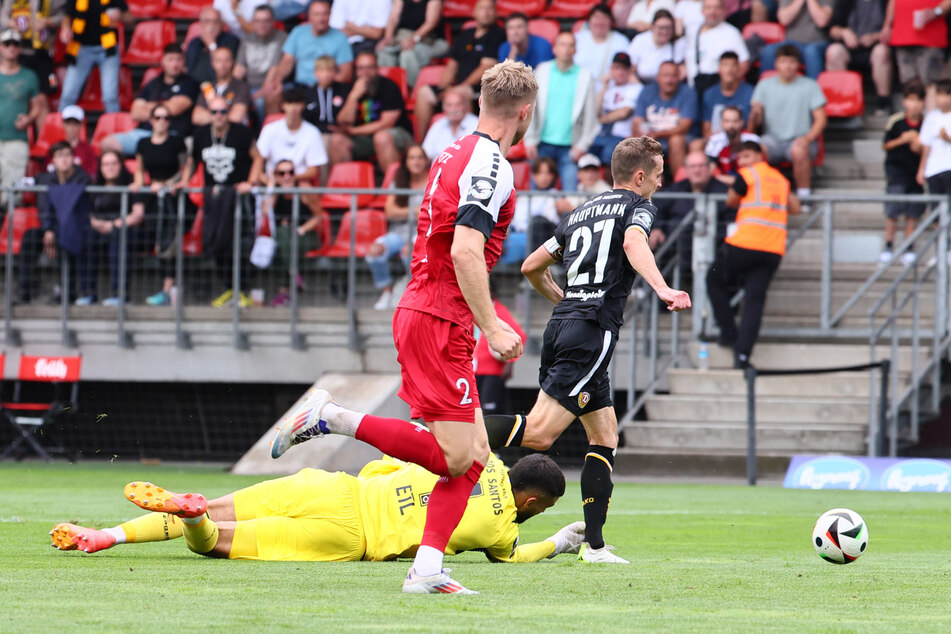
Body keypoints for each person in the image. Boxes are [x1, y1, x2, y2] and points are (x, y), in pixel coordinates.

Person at [270, 60, 538, 595]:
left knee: (476, 458)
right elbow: (465, 250)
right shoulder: (494, 164)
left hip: (432, 309)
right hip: (440, 314)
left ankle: (428, 567)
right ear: (525, 113)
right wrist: (493, 327)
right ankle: (332, 417)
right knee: (456, 457)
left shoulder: (452, 151)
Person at [478, 137, 691, 564]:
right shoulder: (639, 207)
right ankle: (444, 430)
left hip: (564, 325)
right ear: (639, 176)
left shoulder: (579, 212)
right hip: (592, 330)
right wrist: (664, 287)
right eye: (659, 173)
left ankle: (593, 547)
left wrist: (563, 300)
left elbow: (530, 266)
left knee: (604, 434)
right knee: (539, 433)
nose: (661, 181)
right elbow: (633, 245)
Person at [50, 453, 585, 565]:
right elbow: (515, 555)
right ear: (532, 501)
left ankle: (106, 536)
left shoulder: (477, 457)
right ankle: (194, 523)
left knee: (216, 504)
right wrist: (561, 540)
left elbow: (381, 467)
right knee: (216, 541)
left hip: (334, 488)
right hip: (351, 538)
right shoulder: (499, 526)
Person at [706, 140, 800, 369]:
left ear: (760, 155)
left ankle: (729, 334)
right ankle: (743, 355)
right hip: (772, 250)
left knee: (713, 278)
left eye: (747, 156)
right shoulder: (780, 178)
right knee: (754, 302)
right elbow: (795, 207)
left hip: (743, 245)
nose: (743, 161)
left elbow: (731, 200)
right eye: (741, 158)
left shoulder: (747, 175)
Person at [181, 95, 258, 307]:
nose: (219, 116)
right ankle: (229, 289)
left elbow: (258, 157)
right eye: (214, 112)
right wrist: (185, 181)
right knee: (217, 243)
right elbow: (192, 161)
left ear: (229, 112)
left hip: (238, 199)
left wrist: (250, 182)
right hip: (214, 200)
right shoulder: (200, 135)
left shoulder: (241, 133)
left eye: (223, 111)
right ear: (209, 113)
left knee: (240, 245)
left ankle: (243, 291)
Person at [412, 0, 503, 135]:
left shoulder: (497, 34)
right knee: (424, 92)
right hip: (457, 86)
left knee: (461, 92)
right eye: (482, 8)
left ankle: (469, 143)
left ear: (496, 13)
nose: (486, 12)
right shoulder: (466, 34)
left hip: (480, 88)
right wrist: (444, 88)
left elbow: (486, 66)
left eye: (490, 9)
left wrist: (456, 88)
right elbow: (452, 64)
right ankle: (422, 144)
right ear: (474, 12)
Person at [523, 31, 599, 192]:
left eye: (570, 45)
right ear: (555, 48)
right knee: (536, 196)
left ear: (575, 50)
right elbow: (531, 107)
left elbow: (590, 115)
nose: (566, 49)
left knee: (571, 197)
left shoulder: (585, 76)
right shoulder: (542, 71)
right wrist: (529, 139)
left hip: (571, 147)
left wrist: (582, 145)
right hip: (541, 143)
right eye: (562, 44)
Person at [749, 43, 826, 200]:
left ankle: (804, 197)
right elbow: (756, 119)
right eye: (783, 61)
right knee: (757, 149)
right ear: (776, 63)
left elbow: (821, 119)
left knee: (799, 150)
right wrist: (754, 115)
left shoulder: (810, 86)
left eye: (792, 61)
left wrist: (807, 139)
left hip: (801, 138)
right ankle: (759, 195)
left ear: (798, 64)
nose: (788, 66)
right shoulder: (764, 85)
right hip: (772, 139)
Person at [18, 141, 92, 304]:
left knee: (66, 238)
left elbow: (71, 210)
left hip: (75, 228)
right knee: (30, 237)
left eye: (67, 155)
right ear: (53, 161)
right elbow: (44, 207)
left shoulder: (82, 178)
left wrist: (52, 230)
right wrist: (48, 229)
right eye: (59, 156)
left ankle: (67, 292)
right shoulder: (45, 179)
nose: (64, 159)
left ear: (73, 158)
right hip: (51, 228)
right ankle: (25, 291)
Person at [129, 104, 188, 307]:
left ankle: (168, 289)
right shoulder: (143, 143)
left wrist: (167, 184)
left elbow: (184, 170)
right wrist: (139, 183)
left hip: (172, 197)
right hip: (153, 198)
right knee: (158, 240)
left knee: (169, 242)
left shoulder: (176, 142)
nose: (162, 121)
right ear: (152, 120)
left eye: (166, 117)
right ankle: (168, 289)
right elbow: (139, 169)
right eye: (158, 117)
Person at [100, 44, 199, 157]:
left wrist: (147, 106)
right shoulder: (153, 84)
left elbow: (174, 109)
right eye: (170, 59)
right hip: (145, 133)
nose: (174, 64)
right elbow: (135, 112)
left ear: (183, 62)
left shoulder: (190, 84)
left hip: (172, 133)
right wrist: (166, 106)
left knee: (164, 148)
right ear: (162, 60)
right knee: (108, 144)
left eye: (178, 60)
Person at [76, 150, 146, 306]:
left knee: (118, 240)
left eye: (114, 163)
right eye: (106, 164)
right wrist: (98, 224)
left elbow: (138, 214)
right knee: (85, 237)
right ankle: (88, 292)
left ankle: (119, 294)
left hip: (126, 229)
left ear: (121, 165)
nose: (110, 167)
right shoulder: (95, 188)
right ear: (100, 167)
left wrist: (114, 225)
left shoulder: (132, 186)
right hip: (100, 229)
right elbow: (88, 213)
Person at [651, 149, 729, 285]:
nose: (696, 170)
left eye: (700, 166)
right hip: (674, 251)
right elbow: (657, 209)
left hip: (713, 252)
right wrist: (657, 228)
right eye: (692, 167)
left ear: (710, 168)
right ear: (686, 170)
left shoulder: (724, 192)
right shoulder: (677, 189)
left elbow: (731, 222)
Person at [328, 50, 413, 172]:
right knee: (337, 140)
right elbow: (343, 121)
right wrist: (353, 96)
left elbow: (386, 123)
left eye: (369, 67)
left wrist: (353, 131)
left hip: (397, 135)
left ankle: (394, 187)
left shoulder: (389, 86)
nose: (365, 73)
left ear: (377, 68)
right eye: (361, 68)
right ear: (355, 71)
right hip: (365, 139)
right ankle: (345, 187)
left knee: (381, 137)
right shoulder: (351, 88)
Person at [368, 144, 428, 310]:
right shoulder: (399, 182)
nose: (416, 162)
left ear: (425, 161)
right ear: (405, 162)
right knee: (374, 251)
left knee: (409, 252)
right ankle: (386, 290)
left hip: (423, 232)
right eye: (412, 158)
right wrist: (414, 211)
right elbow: (390, 212)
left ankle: (412, 292)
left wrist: (406, 212)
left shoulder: (433, 182)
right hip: (398, 232)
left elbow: (433, 212)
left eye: (419, 157)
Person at [258, 159, 324, 306]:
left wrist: (301, 229)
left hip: (306, 235)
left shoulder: (304, 191)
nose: (287, 176)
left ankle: (284, 291)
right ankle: (293, 275)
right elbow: (265, 212)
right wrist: (272, 187)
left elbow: (319, 216)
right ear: (276, 176)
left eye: (291, 172)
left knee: (283, 241)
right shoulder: (275, 193)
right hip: (285, 238)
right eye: (282, 173)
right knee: (282, 236)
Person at [263, 0, 353, 94]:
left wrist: (326, 79)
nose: (321, 19)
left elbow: (346, 74)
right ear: (309, 16)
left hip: (328, 88)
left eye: (324, 14)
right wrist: (278, 79)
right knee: (272, 93)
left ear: (330, 15)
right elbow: (287, 62)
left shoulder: (340, 38)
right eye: (317, 14)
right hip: (300, 86)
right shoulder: (298, 32)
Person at [57, 0, 130, 114]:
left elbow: (130, 19)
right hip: (81, 48)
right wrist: (65, 29)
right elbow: (67, 16)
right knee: (67, 95)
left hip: (107, 49)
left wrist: (120, 16)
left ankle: (114, 128)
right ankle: (59, 130)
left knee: (110, 97)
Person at [881, 82, 925, 265]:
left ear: (923, 102)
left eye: (917, 100)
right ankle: (888, 245)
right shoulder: (896, 121)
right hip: (896, 172)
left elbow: (927, 150)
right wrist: (902, 139)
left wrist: (917, 147)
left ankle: (909, 247)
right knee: (893, 211)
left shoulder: (927, 123)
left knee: (912, 213)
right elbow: (886, 145)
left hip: (915, 174)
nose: (914, 104)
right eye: (910, 100)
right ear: (904, 101)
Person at [250, 86, 329, 186]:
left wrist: (287, 178)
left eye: (297, 103)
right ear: (283, 105)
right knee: (267, 192)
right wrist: (268, 181)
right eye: (289, 103)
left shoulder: (313, 132)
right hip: (272, 180)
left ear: (303, 105)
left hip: (299, 182)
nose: (293, 107)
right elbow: (259, 160)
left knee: (305, 187)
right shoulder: (269, 129)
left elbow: (313, 171)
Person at [632, 60, 697, 176]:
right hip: (652, 136)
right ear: (658, 78)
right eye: (665, 76)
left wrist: (657, 134)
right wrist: (643, 133)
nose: (669, 80)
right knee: (631, 141)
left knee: (676, 140)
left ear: (679, 77)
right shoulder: (647, 92)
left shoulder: (688, 93)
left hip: (679, 137)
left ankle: (680, 184)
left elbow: (684, 127)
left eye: (673, 76)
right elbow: (637, 121)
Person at [881, 0, 950, 109]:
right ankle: (914, 123)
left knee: (930, 83)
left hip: (930, 36)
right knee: (910, 84)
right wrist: (887, 25)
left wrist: (936, 11)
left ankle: (931, 122)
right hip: (902, 35)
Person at [825, 0, 891, 114]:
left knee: (881, 52)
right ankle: (841, 101)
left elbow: (893, 29)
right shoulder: (844, 2)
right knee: (833, 52)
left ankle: (883, 103)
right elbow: (832, 29)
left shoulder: (885, 2)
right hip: (849, 49)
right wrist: (844, 32)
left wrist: (874, 37)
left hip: (875, 48)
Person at [475, 283, 527, 416]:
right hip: (472, 368)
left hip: (492, 369)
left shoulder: (499, 311)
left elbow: (519, 335)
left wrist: (510, 362)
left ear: (492, 292)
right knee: (475, 409)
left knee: (489, 410)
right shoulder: (473, 309)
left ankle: (492, 436)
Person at [0, 28, 40, 197]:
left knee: (11, 193)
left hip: (17, 139)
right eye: (7, 43)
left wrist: (29, 118)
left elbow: (38, 106)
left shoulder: (29, 76)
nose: (11, 47)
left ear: (20, 48)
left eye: (15, 44)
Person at [502, 156, 561, 265]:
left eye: (548, 173)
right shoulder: (524, 197)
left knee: (538, 223)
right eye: (540, 173)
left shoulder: (557, 196)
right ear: (534, 175)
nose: (544, 177)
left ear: (553, 176)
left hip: (543, 238)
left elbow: (551, 219)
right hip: (521, 235)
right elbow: (517, 222)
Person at [684, 0, 749, 98]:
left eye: (717, 8)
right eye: (709, 8)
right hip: (694, 90)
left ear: (724, 11)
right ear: (702, 10)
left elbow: (744, 63)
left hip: (716, 92)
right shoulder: (692, 32)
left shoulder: (731, 33)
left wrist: (728, 86)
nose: (712, 12)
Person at [376, 0, 447, 88]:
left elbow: (431, 23)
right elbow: (393, 18)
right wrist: (388, 38)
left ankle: (412, 90)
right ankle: (390, 88)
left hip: (430, 41)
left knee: (407, 54)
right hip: (402, 38)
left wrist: (413, 39)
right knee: (383, 52)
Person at [234, 5, 287, 122]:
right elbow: (239, 69)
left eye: (266, 21)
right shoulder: (247, 39)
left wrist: (259, 93)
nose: (261, 25)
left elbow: (275, 70)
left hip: (272, 86)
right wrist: (231, 90)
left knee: (260, 102)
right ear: (253, 22)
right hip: (248, 86)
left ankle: (262, 135)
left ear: (273, 21)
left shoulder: (281, 38)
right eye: (257, 21)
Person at [590, 52, 642, 168]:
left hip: (621, 136)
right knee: (587, 155)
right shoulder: (607, 88)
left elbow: (624, 112)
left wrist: (601, 119)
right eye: (617, 68)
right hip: (601, 135)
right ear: (611, 69)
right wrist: (603, 86)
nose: (620, 72)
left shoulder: (636, 88)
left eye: (624, 69)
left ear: (630, 71)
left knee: (610, 156)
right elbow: (595, 111)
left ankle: (612, 186)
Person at [758, 0, 832, 79]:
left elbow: (822, 21)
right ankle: (766, 88)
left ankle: (813, 90)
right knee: (769, 51)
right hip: (792, 43)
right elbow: (784, 20)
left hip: (818, 43)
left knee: (811, 51)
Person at [192, 46, 253, 126]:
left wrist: (212, 115)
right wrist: (224, 116)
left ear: (232, 62)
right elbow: (196, 117)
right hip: (212, 135)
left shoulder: (241, 86)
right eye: (218, 61)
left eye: (226, 60)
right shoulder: (208, 88)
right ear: (213, 63)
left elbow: (236, 117)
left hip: (235, 134)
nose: (222, 65)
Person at [916, 80, 951, 219]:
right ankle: (939, 240)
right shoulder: (931, 117)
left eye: (947, 95)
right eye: (940, 95)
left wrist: (947, 139)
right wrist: (921, 169)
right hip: (934, 169)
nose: (943, 99)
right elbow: (926, 145)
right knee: (936, 210)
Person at [704, 104, 762, 186]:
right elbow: (710, 171)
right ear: (721, 123)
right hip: (722, 183)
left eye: (735, 121)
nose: (731, 126)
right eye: (727, 121)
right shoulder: (714, 141)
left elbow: (759, 169)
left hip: (749, 183)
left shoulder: (752, 140)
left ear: (741, 122)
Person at [700, 50, 753, 139]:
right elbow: (706, 129)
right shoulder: (709, 94)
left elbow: (750, 128)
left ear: (739, 69)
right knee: (696, 145)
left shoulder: (750, 92)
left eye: (733, 65)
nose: (729, 70)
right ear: (719, 69)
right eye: (725, 65)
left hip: (741, 140)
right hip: (715, 139)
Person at [573, 4, 630, 87]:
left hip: (610, 88)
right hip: (578, 86)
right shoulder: (578, 38)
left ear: (610, 21)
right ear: (589, 20)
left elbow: (626, 69)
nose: (600, 22)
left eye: (604, 17)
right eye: (596, 17)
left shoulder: (621, 41)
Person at [627, 10, 686, 84]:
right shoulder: (640, 40)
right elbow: (629, 71)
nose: (665, 32)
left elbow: (681, 72)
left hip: (669, 87)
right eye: (661, 28)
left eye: (668, 28)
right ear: (653, 27)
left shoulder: (678, 43)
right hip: (641, 84)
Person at [186, 7, 240, 86]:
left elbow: (225, 69)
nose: (211, 25)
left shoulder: (231, 41)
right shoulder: (194, 43)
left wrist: (212, 45)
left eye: (215, 21)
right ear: (201, 23)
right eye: (207, 21)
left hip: (220, 86)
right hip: (195, 88)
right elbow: (189, 69)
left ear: (221, 24)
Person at [420, 87, 478, 161]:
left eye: (458, 104)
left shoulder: (476, 125)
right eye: (449, 105)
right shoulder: (438, 125)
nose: (454, 109)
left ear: (465, 106)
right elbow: (425, 154)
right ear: (443, 108)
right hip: (438, 171)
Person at [45, 104, 96, 177]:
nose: (71, 128)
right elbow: (47, 171)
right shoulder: (55, 147)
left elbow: (92, 174)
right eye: (68, 123)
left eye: (75, 124)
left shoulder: (87, 150)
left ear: (81, 125)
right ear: (63, 124)